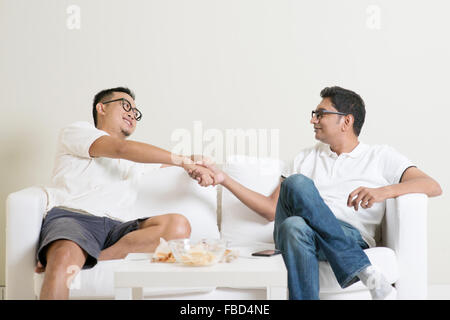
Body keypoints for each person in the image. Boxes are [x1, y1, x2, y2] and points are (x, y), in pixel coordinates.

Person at [190, 86, 442, 300]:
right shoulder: (304, 158)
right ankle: (362, 268)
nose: (313, 120)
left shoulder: (380, 156)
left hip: (351, 235)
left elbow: (432, 185)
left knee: (294, 226)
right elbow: (270, 209)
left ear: (346, 121)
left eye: (321, 114)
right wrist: (223, 178)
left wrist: (383, 191)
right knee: (296, 185)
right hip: (308, 241)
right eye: (314, 114)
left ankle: (352, 261)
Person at [35, 87, 215, 299]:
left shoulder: (135, 161)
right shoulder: (78, 132)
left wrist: (196, 161)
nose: (132, 113)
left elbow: (162, 163)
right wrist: (184, 161)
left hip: (117, 228)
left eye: (136, 112)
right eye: (125, 105)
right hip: (75, 218)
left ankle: (90, 257)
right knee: (64, 255)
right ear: (101, 108)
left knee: (178, 225)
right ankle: (65, 257)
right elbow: (121, 149)